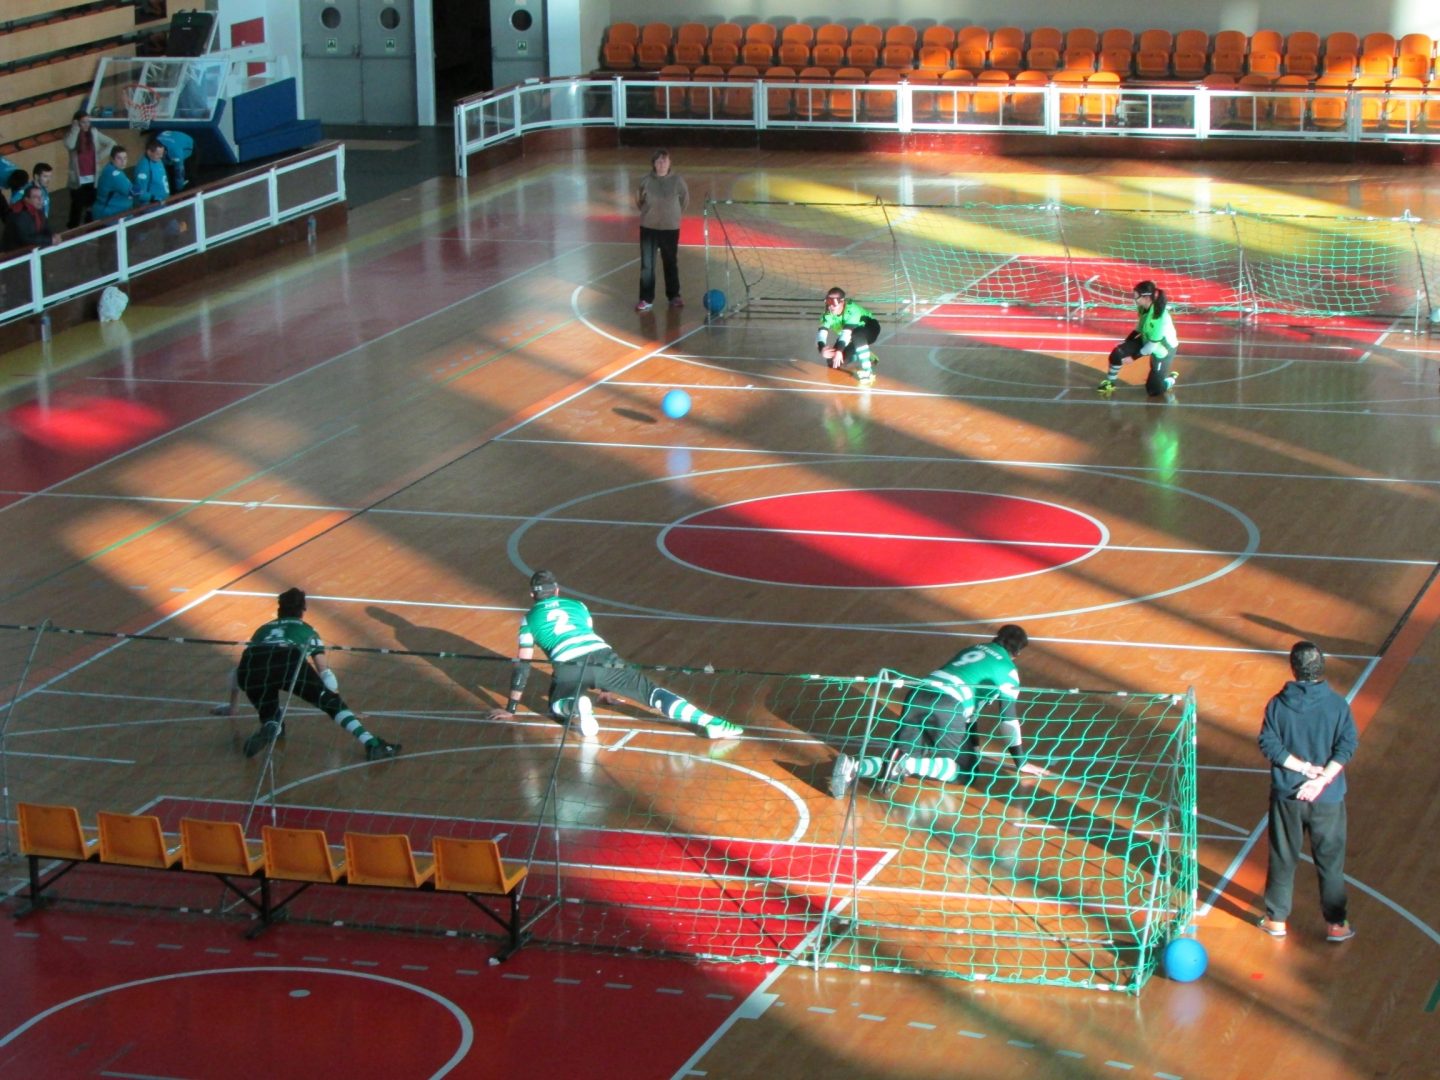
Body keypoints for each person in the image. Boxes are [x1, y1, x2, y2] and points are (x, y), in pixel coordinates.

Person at [486, 569, 743, 740]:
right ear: (557, 591)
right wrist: (605, 688)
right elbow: (588, 639)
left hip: (567, 667)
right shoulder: (578, 606)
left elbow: (524, 664)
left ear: (532, 595)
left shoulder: (528, 619)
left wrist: (512, 707)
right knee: (653, 694)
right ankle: (711, 722)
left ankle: (576, 706)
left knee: (555, 706)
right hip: (602, 656)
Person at [830, 625, 1047, 798]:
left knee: (901, 765)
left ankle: (854, 766)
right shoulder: (1008, 670)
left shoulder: (974, 649)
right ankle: (902, 763)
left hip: (917, 695)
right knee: (965, 773)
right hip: (948, 706)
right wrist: (1021, 762)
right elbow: (1008, 721)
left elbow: (972, 714)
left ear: (996, 638)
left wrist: (973, 746)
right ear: (1017, 653)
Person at [217, 587, 401, 761]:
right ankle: (373, 744)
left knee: (271, 715)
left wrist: (232, 707)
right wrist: (339, 705)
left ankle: (273, 726)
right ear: (302, 610)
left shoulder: (262, 630)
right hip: (285, 660)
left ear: (279, 609)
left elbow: (235, 673)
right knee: (329, 703)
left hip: (250, 666)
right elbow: (325, 674)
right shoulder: (307, 630)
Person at [1256, 640, 1358, 942]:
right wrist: (1321, 779)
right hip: (1327, 799)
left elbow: (1269, 744)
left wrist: (1302, 769)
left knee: (1283, 857)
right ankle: (1337, 924)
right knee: (1330, 862)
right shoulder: (1337, 705)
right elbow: (1347, 746)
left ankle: (1276, 920)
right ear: (1321, 666)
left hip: (1288, 796)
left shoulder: (1277, 705)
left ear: (1294, 668)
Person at [1097, 279, 1179, 397]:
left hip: (1163, 350)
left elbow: (1152, 346)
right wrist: (1126, 343)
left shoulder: (1159, 318)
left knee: (1154, 390)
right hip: (1147, 338)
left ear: (1146, 298)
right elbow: (1140, 327)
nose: (1134, 300)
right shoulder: (1142, 307)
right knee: (1117, 353)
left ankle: (1170, 380)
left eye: (1136, 297)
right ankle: (1110, 383)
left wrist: (1133, 357)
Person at [634, 149, 688, 312]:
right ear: (654, 164)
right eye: (658, 161)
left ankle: (674, 296)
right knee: (647, 265)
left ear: (670, 163)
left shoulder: (678, 181)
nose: (662, 164)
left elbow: (684, 200)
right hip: (649, 228)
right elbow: (639, 200)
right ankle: (646, 299)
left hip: (670, 228)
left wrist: (673, 216)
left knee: (670, 262)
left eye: (665, 161)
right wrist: (649, 214)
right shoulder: (645, 181)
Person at [817, 286, 881, 386]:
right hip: (849, 336)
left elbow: (847, 333)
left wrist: (839, 350)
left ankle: (868, 372)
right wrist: (822, 349)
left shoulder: (852, 310)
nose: (831, 306)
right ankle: (866, 355)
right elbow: (822, 333)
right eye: (828, 302)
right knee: (832, 361)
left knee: (857, 335)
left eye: (834, 303)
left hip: (868, 330)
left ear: (842, 302)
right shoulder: (827, 315)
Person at [65, 109, 118, 227]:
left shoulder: (93, 133)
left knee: (92, 206)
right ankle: (72, 231)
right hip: (78, 179)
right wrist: (75, 129)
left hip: (93, 177)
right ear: (76, 122)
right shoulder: (71, 134)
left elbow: (112, 143)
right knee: (77, 207)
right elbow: (70, 145)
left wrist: (99, 156)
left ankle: (90, 228)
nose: (86, 125)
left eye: (88, 122)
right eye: (83, 122)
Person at [3, 184, 55, 251]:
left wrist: (52, 236)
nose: (40, 199)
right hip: (15, 254)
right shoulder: (20, 214)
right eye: (35, 197)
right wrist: (49, 240)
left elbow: (45, 227)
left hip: (30, 251)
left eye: (41, 196)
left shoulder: (38, 209)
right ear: (27, 199)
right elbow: (26, 238)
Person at [92, 147, 136, 220]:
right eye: (119, 158)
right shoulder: (114, 174)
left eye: (125, 158)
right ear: (112, 159)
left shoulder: (113, 169)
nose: (123, 161)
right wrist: (151, 196)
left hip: (115, 212)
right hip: (110, 215)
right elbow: (132, 191)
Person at [131, 139, 170, 205]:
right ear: (149, 152)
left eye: (162, 154)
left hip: (164, 201)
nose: (161, 156)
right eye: (158, 154)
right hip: (153, 206)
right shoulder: (143, 168)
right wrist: (154, 199)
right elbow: (139, 192)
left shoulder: (157, 159)